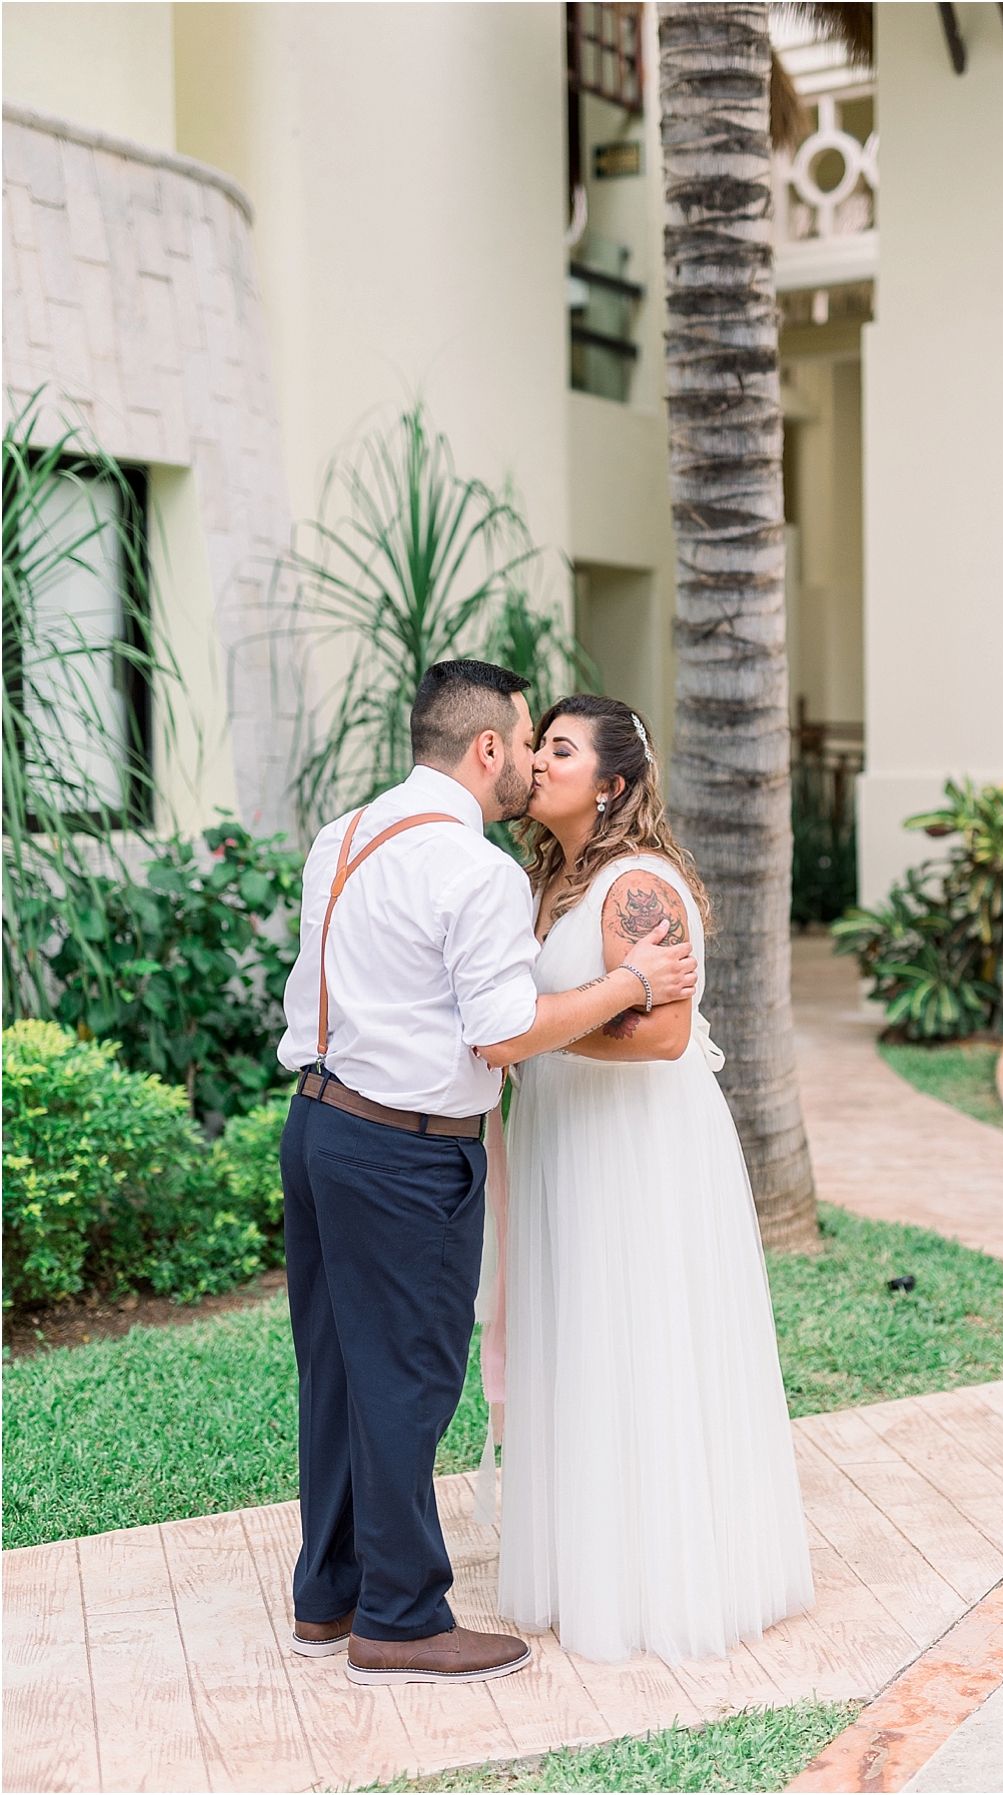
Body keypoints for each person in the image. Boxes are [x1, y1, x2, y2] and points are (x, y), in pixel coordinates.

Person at [276, 662, 698, 1687]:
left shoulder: (345, 836)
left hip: (318, 1126)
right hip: (405, 1151)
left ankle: (328, 1594)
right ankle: (404, 1619)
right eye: (524, 737)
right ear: (486, 751)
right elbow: (502, 1033)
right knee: (408, 1379)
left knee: (335, 1368)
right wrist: (632, 981)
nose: (530, 756)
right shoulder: (475, 871)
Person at [479, 695, 813, 1665]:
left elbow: (664, 1034)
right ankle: (588, 1554)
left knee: (640, 1336)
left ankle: (657, 1579)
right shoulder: (552, 882)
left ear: (612, 784)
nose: (538, 761)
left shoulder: (636, 884)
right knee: (580, 1337)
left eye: (562, 748)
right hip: (565, 1135)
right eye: (539, 743)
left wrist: (540, 1032)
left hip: (634, 1148)